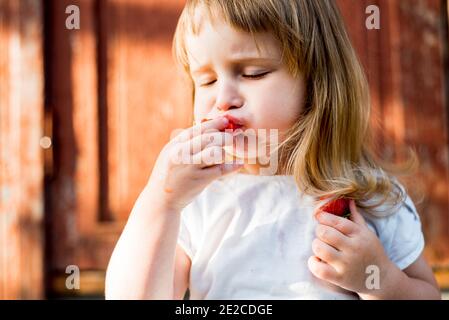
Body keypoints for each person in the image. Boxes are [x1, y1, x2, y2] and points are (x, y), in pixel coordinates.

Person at [105, 0, 441, 299]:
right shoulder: (199, 200)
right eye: (206, 81)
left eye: (253, 73)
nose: (223, 99)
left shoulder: (371, 196)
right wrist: (160, 203)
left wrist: (378, 280)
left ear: (316, 82)